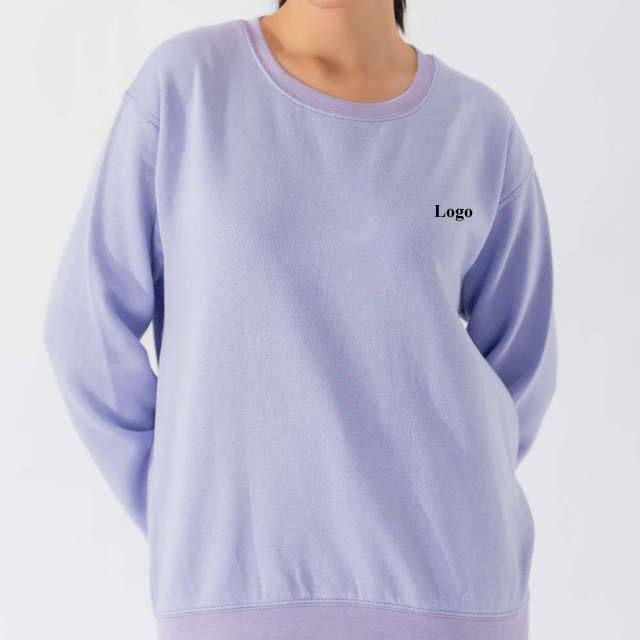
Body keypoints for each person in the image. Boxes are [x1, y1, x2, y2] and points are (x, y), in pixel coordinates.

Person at [43, 1, 557, 638]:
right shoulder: (187, 87)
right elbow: (85, 332)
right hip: (237, 596)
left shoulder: (478, 126)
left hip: (456, 593)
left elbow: (521, 362)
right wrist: (190, 511)